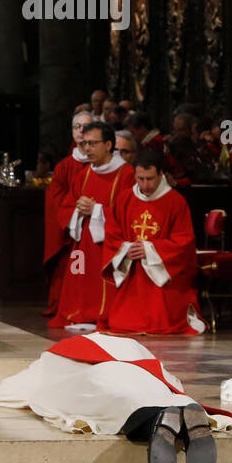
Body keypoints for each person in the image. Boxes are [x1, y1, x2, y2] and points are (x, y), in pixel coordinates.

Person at [0, 332, 232, 463]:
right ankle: (180, 414)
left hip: (99, 376)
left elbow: (7, 393)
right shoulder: (130, 345)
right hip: (142, 371)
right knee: (153, 392)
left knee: (113, 400)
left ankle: (156, 421)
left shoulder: (51, 359)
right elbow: (171, 379)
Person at [100, 150, 205, 335]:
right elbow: (111, 234)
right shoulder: (124, 199)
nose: (145, 185)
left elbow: (184, 242)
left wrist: (150, 249)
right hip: (132, 268)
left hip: (162, 273)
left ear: (161, 174)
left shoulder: (175, 201)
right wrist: (126, 249)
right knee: (120, 323)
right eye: (140, 179)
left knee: (160, 322)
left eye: (150, 178)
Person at [49, 121, 133, 330]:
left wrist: (97, 209)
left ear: (108, 145)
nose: (86, 148)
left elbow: (130, 212)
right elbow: (66, 208)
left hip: (112, 244)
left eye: (92, 143)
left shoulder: (126, 174)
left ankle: (106, 314)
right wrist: (78, 209)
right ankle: (83, 312)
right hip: (85, 243)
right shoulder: (83, 175)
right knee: (82, 278)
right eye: (84, 143)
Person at [43, 111, 94, 316]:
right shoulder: (65, 167)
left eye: (86, 126)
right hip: (71, 229)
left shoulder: (102, 164)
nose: (81, 131)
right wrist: (76, 213)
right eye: (76, 127)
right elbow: (54, 199)